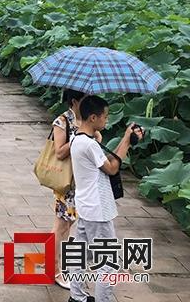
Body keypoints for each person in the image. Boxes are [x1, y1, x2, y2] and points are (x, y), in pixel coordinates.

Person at [68, 95, 143, 302]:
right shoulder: (89, 145)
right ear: (93, 118)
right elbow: (111, 168)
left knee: (79, 255)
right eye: (105, 117)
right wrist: (127, 140)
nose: (106, 120)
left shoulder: (77, 138)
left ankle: (77, 297)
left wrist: (125, 139)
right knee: (108, 263)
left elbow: (107, 160)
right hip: (98, 211)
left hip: (86, 206)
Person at [51, 89, 102, 290]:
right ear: (74, 101)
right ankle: (55, 271)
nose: (88, 103)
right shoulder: (62, 121)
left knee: (67, 227)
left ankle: (57, 267)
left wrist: (94, 137)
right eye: (85, 100)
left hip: (83, 182)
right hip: (67, 184)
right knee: (61, 227)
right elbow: (59, 152)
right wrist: (78, 138)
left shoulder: (86, 122)